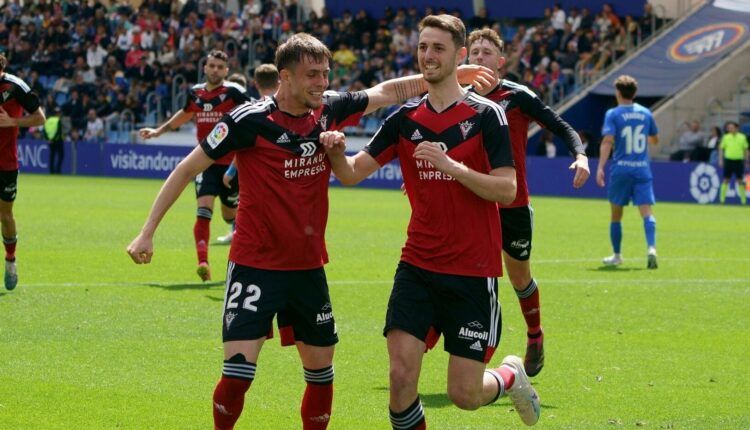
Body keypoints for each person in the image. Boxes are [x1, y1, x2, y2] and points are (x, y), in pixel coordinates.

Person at [126, 33, 494, 430]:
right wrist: (147, 232)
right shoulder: (247, 120)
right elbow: (186, 170)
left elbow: (386, 92)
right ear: (284, 77)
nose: (321, 82)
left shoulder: (330, 110)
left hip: (307, 269)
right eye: (312, 75)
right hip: (255, 265)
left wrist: (452, 73)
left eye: (325, 74)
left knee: (321, 374)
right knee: (236, 376)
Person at [322, 15, 541, 428]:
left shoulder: (486, 115)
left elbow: (506, 190)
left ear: (459, 56)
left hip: (473, 273)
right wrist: (335, 151)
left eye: (438, 48)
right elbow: (351, 173)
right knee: (400, 379)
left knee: (465, 395)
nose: (428, 56)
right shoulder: (404, 119)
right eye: (423, 47)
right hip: (417, 266)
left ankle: (511, 374)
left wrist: (452, 167)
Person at [466, 28, 589, 377]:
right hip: (474, 202)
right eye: (474, 51)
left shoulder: (517, 96)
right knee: (473, 277)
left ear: (500, 61)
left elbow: (560, 124)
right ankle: (474, 350)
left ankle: (535, 335)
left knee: (518, 277)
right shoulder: (459, 99)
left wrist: (579, 155)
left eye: (486, 52)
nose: (479, 57)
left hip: (514, 205)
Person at [138, 50, 251, 282]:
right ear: (205, 67)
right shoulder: (195, 93)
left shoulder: (234, 93)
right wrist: (159, 131)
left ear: (226, 71)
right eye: (212, 65)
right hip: (205, 163)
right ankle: (203, 262)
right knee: (203, 211)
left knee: (231, 216)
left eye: (220, 66)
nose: (215, 70)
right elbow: (185, 113)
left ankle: (237, 238)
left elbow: (253, 117)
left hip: (232, 164)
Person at [596, 75, 659, 269]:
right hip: (642, 169)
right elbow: (655, 139)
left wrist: (600, 167)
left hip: (621, 168)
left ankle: (617, 255)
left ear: (618, 92)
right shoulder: (646, 113)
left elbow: (607, 141)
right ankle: (651, 249)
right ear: (635, 93)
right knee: (647, 212)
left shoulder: (613, 114)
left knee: (616, 214)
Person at [217, 64, 281, 245]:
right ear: (279, 82)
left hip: (256, 174)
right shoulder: (289, 107)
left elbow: (243, 146)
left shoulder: (252, 111)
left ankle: (240, 236)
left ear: (255, 83)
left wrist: (230, 171)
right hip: (283, 173)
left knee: (248, 209)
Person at [0, 53, 46, 290]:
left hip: (5, 164)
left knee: (5, 216)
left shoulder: (16, 87)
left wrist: (13, 122)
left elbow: (40, 119)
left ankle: (10, 261)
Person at [718, 121, 748, 205]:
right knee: (726, 180)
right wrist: (720, 159)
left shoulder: (742, 137)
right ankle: (722, 200)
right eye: (728, 128)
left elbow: (745, 149)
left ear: (736, 128)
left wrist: (746, 160)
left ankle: (743, 200)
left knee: (740, 180)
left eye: (731, 127)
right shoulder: (726, 137)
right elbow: (721, 149)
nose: (730, 129)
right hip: (728, 160)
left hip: (738, 160)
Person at [44, 106, 64, 174]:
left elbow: (44, 131)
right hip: (58, 140)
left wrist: (48, 139)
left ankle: (52, 171)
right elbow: (59, 132)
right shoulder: (58, 120)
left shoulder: (48, 120)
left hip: (50, 141)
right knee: (61, 155)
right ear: (58, 113)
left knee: (52, 155)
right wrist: (53, 139)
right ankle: (58, 171)